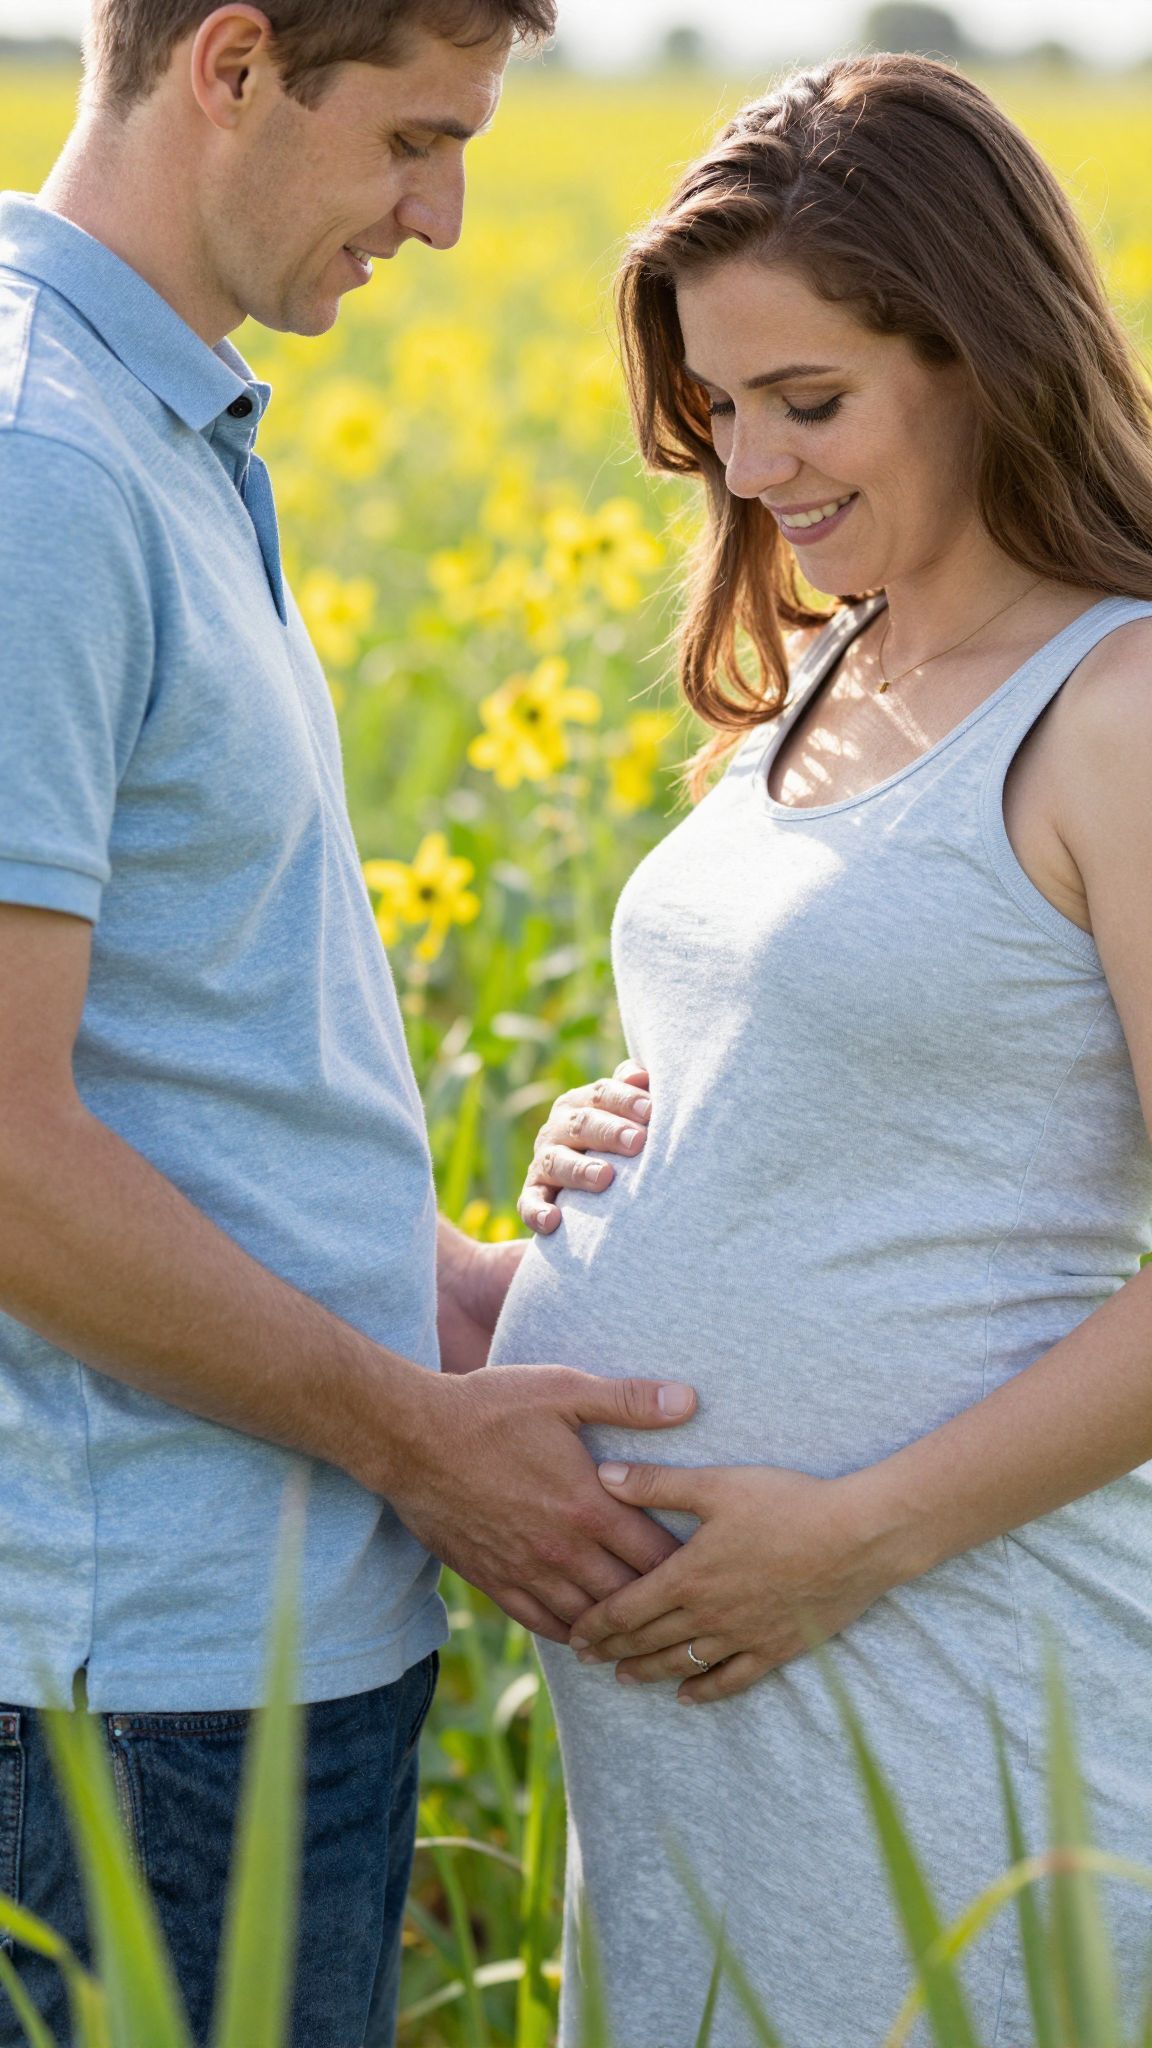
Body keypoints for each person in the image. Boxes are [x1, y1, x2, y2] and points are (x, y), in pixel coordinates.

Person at [0, 3, 700, 2041]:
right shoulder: (43, 468)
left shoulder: (153, 430)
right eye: (413, 139)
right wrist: (416, 1438)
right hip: (137, 1691)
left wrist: (434, 1287)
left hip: (251, 1642)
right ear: (232, 66)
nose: (446, 215)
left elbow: (175, 1054)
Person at [494, 51, 1152, 2047]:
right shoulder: (829, 663)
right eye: (718, 410)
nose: (754, 464)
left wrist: (851, 1539)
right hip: (708, 1734)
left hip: (944, 1680)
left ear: (983, 355)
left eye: (809, 399)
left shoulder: (1118, 708)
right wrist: (644, 1134)